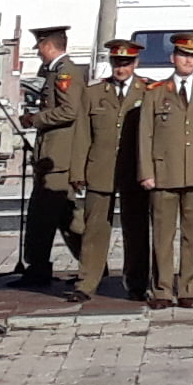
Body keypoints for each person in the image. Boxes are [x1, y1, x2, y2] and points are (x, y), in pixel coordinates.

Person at [139, 34, 193, 308]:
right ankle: (162, 290)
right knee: (163, 237)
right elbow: (145, 136)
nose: (189, 60)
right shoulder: (156, 92)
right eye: (184, 55)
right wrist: (146, 171)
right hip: (164, 174)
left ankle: (188, 289)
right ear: (172, 57)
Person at [61, 33, 144, 307]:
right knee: (95, 230)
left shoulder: (148, 91)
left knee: (136, 230)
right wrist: (77, 171)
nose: (121, 68)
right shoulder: (94, 93)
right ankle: (86, 283)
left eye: (127, 62)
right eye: (117, 62)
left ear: (136, 62)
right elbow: (82, 134)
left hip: (135, 171)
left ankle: (137, 283)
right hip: (100, 169)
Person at [13, 26, 84, 287]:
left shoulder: (65, 71)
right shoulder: (55, 71)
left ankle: (39, 270)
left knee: (44, 216)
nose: (39, 54)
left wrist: (35, 119)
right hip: (50, 156)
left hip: (59, 157)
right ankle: (92, 264)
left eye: (40, 48)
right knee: (66, 216)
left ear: (47, 46)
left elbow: (69, 111)